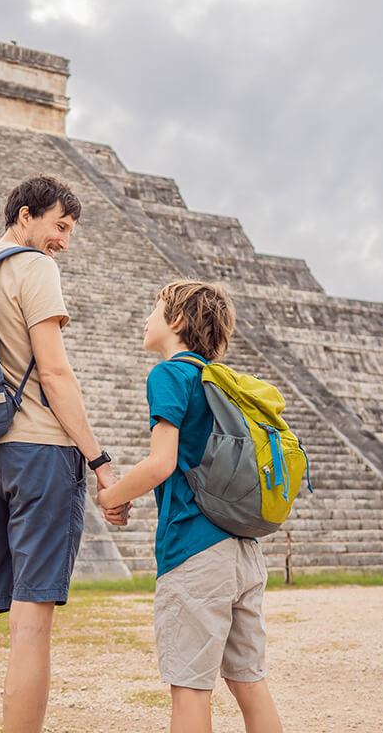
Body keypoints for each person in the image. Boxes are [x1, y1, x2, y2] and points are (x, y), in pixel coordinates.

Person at [0, 174, 125, 733]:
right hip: (39, 453)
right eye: (59, 226)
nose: (64, 240)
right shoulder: (35, 269)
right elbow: (55, 373)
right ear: (26, 214)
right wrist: (101, 461)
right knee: (31, 623)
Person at [98, 281, 283, 733]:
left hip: (195, 554)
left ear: (176, 320)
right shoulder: (222, 381)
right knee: (250, 685)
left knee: (190, 691)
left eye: (154, 308)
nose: (146, 318)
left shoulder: (170, 374)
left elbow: (161, 463)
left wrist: (110, 496)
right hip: (243, 551)